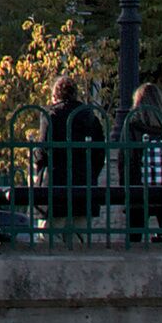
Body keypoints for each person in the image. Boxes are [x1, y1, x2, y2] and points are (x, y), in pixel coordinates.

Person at [44, 74, 110, 226]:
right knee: (80, 235)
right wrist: (91, 173)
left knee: (49, 236)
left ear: (55, 95)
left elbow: (43, 150)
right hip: (83, 181)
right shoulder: (90, 116)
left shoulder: (51, 115)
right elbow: (99, 153)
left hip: (56, 182)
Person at [122, 83, 162, 233]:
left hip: (141, 189)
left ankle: (134, 253)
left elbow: (126, 159)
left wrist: (125, 186)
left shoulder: (133, 124)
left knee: (135, 232)